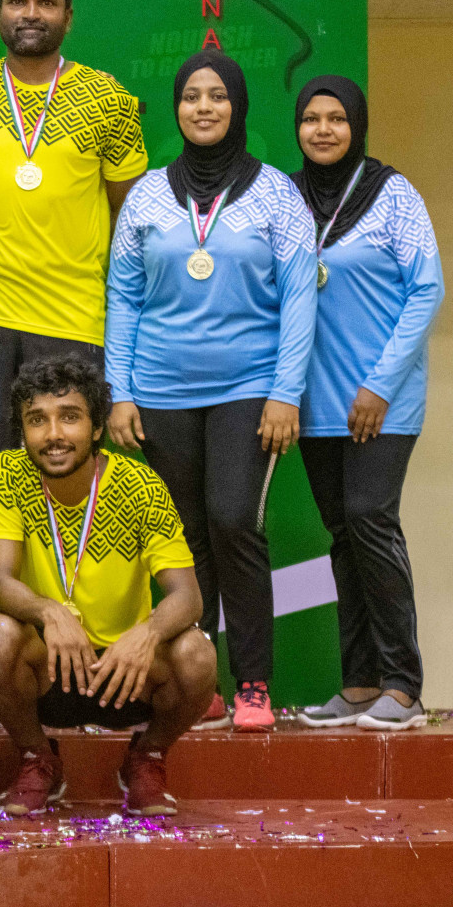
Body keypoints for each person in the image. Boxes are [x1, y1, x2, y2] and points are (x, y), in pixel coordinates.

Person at [105, 51, 316, 732]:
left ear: (238, 108)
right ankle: (203, 682)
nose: (203, 107)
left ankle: (253, 680)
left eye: (217, 96)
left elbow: (298, 302)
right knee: (184, 538)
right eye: (191, 96)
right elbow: (124, 296)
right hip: (160, 390)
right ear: (177, 108)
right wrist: (121, 390)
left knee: (232, 521)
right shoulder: (147, 195)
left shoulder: (278, 193)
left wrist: (286, 392)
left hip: (249, 388)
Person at [0, 0, 148, 583]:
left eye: (46, 2)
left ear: (69, 16)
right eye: (18, 1)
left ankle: (67, 630)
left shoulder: (108, 98)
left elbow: (129, 218)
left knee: (73, 483)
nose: (31, 13)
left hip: (72, 317)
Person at [0, 358, 215, 816]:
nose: (54, 435)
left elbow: (188, 596)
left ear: (98, 426)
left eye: (69, 416)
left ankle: (148, 757)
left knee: (197, 654)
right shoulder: (7, 474)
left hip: (126, 675)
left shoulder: (138, 484)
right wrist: (50, 612)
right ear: (22, 430)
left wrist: (145, 635)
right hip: (49, 668)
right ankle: (37, 758)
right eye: (37, 420)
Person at [289, 76, 443, 732]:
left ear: (358, 125)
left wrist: (379, 385)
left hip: (383, 397)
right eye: (310, 119)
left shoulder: (393, 194)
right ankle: (357, 684)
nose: (323, 130)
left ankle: (403, 684)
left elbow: (427, 290)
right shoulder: (287, 200)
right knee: (342, 536)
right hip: (312, 402)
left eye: (336, 119)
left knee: (369, 519)